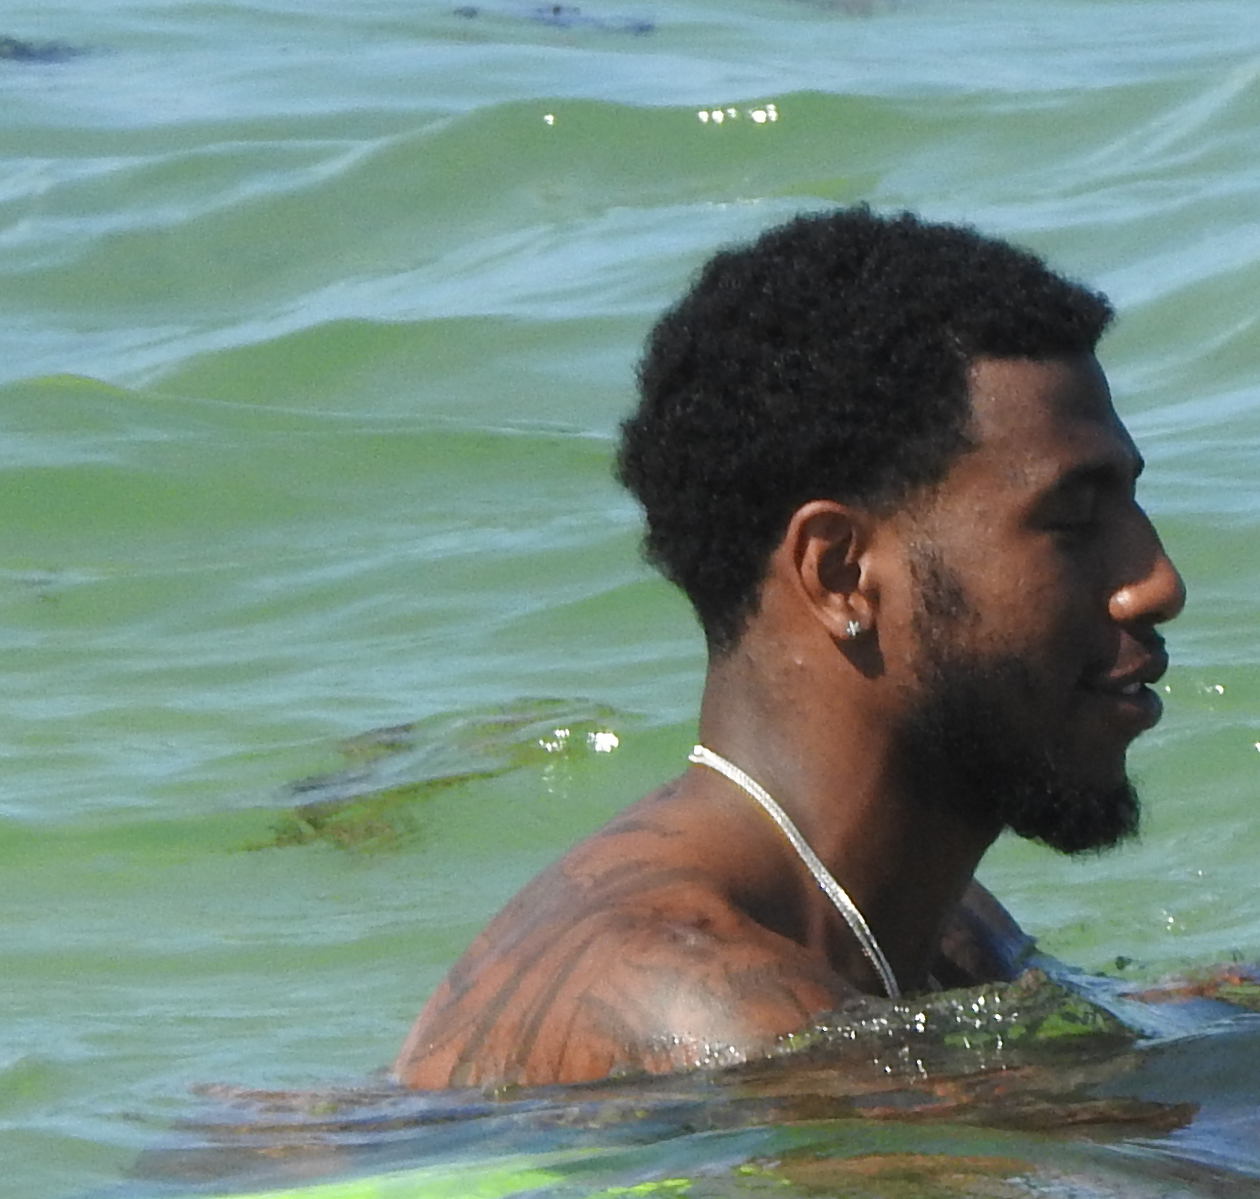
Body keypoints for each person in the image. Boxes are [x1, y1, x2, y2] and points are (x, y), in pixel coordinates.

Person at [394, 208, 1185, 1090]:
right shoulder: (694, 1003)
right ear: (842, 573)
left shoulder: (944, 930)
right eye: (1074, 519)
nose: (1157, 582)